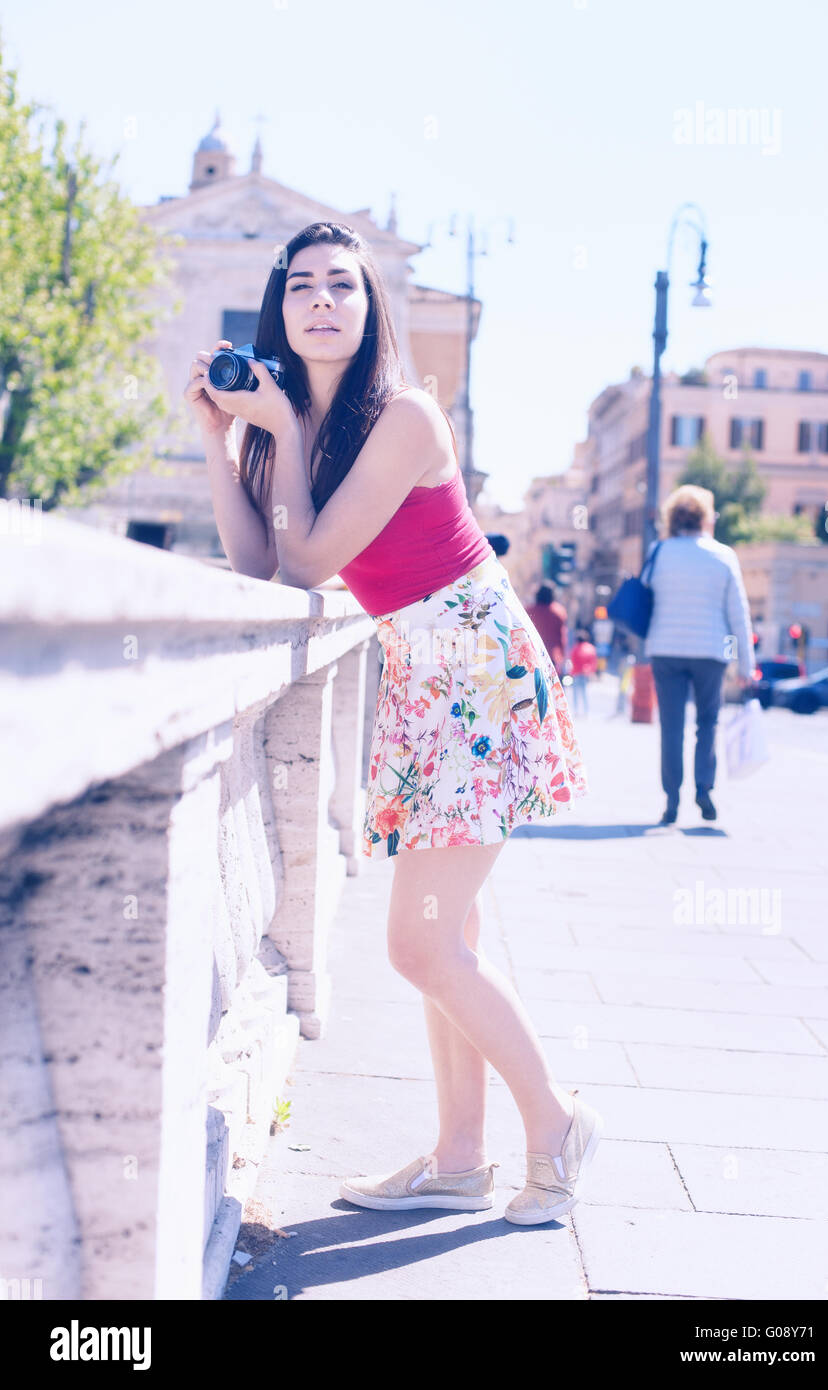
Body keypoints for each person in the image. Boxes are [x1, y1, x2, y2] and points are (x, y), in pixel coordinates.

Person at [184, 221, 603, 1226]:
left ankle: (555, 1125)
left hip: (477, 668)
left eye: (342, 285)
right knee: (446, 930)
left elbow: (310, 557)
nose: (321, 300)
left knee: (418, 947)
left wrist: (278, 430)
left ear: (370, 310)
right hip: (421, 679)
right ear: (278, 308)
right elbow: (256, 567)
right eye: (301, 287)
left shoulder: (406, 416)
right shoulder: (292, 432)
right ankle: (460, 1158)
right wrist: (219, 439)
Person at [644, 484, 756, 824]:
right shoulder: (723, 555)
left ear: (673, 518)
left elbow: (645, 595)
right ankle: (704, 791)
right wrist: (745, 664)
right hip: (711, 650)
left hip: (665, 648)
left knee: (671, 726)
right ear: (706, 518)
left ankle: (671, 800)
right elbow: (739, 614)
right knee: (707, 722)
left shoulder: (659, 551)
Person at [525, 584, 568, 679]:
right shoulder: (559, 612)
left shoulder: (529, 611)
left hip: (532, 654)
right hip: (552, 656)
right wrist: (563, 656)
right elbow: (562, 636)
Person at [568, 628, 597, 715]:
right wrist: (592, 671)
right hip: (586, 674)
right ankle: (586, 711)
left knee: (576, 693)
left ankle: (576, 710)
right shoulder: (591, 648)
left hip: (576, 673)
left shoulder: (576, 648)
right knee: (584, 692)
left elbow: (572, 660)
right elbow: (593, 662)